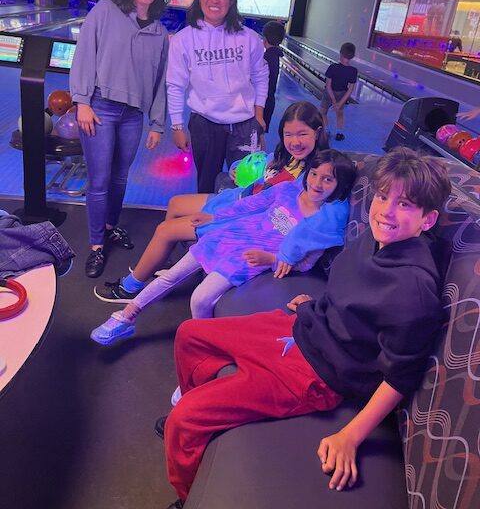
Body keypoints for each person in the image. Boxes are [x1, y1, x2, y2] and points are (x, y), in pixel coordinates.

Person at [159, 147, 451, 507]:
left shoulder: (414, 289)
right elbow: (354, 294)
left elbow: (400, 377)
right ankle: (198, 424)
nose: (386, 211)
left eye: (404, 204)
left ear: (428, 219)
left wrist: (350, 436)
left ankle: (186, 495)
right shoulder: (375, 238)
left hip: (318, 375)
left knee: (184, 419)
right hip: (306, 327)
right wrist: (317, 305)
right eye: (382, 197)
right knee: (190, 334)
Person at [90, 149, 356, 345]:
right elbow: (249, 205)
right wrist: (214, 217)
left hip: (247, 258)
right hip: (230, 235)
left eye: (327, 180)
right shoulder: (287, 190)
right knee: (172, 275)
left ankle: (200, 349)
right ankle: (127, 316)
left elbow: (305, 263)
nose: (316, 183)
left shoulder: (321, 225)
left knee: (200, 298)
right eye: (314, 174)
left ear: (339, 186)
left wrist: (271, 259)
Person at [93, 101, 328, 303]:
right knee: (175, 204)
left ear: (317, 133)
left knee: (165, 230)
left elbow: (289, 212)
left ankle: (130, 288)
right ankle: (167, 261)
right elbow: (257, 165)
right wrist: (237, 169)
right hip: (235, 200)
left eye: (302, 134)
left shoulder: (315, 175)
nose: (295, 142)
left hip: (246, 218)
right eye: (289, 134)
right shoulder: (283, 157)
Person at [70, 0, 170, 279]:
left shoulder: (159, 32)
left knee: (120, 178)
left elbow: (161, 81)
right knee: (100, 180)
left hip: (132, 115)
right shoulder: (105, 11)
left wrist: (157, 123)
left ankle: (110, 227)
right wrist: (82, 101)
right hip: (100, 107)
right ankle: (97, 246)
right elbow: (85, 54)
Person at [166, 0, 269, 194]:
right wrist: (177, 126)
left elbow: (261, 76)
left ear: (231, 0)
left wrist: (259, 113)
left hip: (244, 124)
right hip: (204, 123)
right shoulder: (183, 39)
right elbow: (175, 84)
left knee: (246, 187)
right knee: (206, 185)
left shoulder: (249, 38)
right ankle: (206, 217)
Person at [320, 42, 357, 142]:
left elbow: (328, 85)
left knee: (323, 113)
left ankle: (327, 131)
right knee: (339, 114)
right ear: (352, 56)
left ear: (340, 53)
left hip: (329, 93)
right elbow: (350, 90)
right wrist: (340, 103)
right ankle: (339, 133)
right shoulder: (353, 71)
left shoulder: (332, 67)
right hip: (342, 94)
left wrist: (333, 100)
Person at [262, 20, 286, 133]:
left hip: (262, 102)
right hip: (269, 101)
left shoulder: (267, 57)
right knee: (260, 134)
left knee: (255, 134)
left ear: (265, 38)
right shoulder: (275, 55)